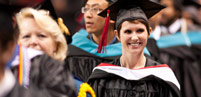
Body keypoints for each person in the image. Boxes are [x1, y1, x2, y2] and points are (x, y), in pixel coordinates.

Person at [87, 0, 180, 97]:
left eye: (140, 31)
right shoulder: (102, 77)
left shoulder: (162, 78)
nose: (134, 37)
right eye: (128, 31)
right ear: (117, 35)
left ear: (149, 32)